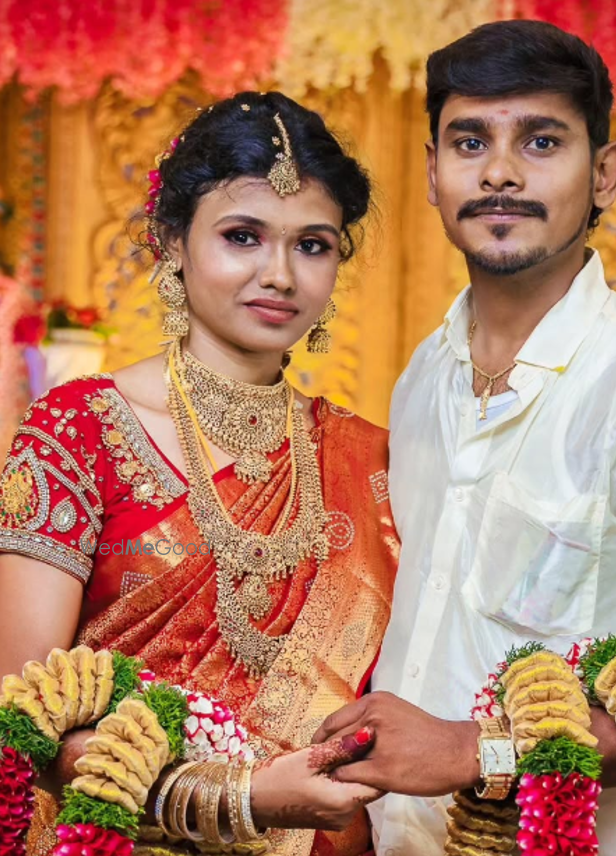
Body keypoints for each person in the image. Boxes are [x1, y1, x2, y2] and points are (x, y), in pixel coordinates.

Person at [313, 20, 616, 855]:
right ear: (432, 172)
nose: (499, 172)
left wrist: (482, 750)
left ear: (604, 173)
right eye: (470, 141)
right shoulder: (425, 375)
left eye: (540, 141)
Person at [0, 91, 398, 856]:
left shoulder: (368, 457)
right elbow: (23, 716)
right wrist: (237, 798)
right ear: (172, 241)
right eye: (242, 236)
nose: (279, 274)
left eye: (312, 245)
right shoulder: (78, 431)